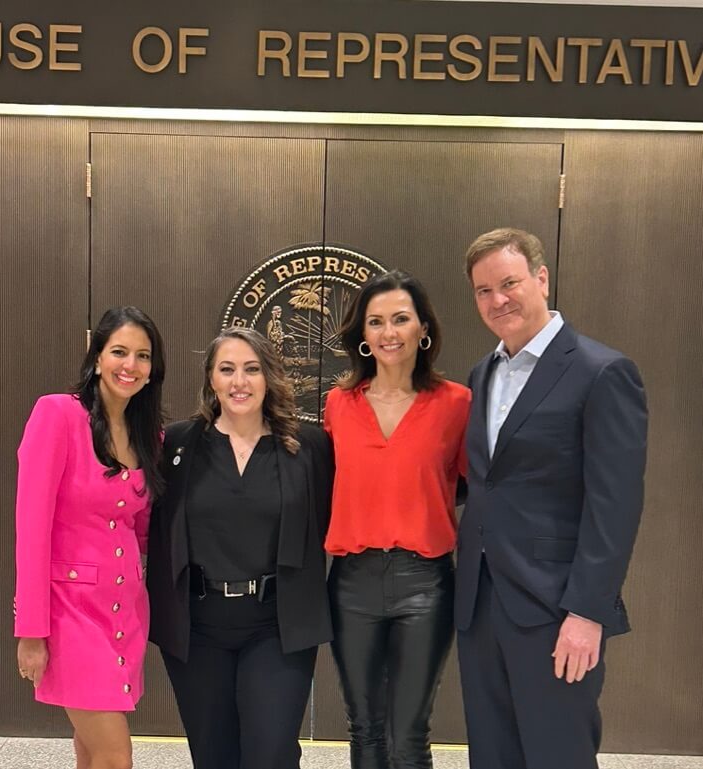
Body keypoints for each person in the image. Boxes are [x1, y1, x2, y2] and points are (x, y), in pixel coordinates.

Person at [456, 228, 648, 769]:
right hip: (480, 602)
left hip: (554, 607)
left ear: (541, 278)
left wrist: (587, 612)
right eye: (483, 290)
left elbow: (614, 507)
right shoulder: (482, 373)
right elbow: (487, 481)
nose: (498, 300)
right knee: (492, 755)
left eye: (509, 283)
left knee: (557, 755)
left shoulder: (601, 372)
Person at [147, 327, 333, 769]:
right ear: (211, 378)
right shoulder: (176, 445)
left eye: (251, 369)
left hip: (276, 625)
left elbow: (334, 518)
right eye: (227, 369)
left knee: (270, 754)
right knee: (214, 756)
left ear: (268, 376)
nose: (239, 382)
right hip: (199, 628)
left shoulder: (309, 446)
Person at [324, 270, 471, 769]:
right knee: (364, 728)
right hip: (352, 583)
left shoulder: (456, 403)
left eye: (401, 319)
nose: (389, 332)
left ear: (423, 329)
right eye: (376, 322)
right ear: (362, 335)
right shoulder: (339, 404)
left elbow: (476, 485)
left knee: (408, 733)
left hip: (425, 584)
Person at [14, 306, 166, 769]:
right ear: (97, 356)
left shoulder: (150, 436)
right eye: (119, 351)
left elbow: (144, 530)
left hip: (125, 612)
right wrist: (31, 631)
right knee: (115, 755)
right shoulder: (57, 414)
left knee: (91, 750)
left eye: (143, 356)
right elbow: (31, 528)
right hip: (70, 613)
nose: (130, 365)